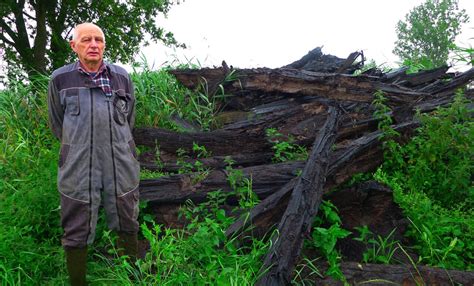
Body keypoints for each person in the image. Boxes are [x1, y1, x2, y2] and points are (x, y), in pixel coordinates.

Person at [47, 23, 140, 285]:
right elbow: (57, 123)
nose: (93, 45)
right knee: (76, 224)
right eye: (86, 40)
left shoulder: (121, 76)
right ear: (74, 46)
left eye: (98, 39)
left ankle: (128, 275)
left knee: (126, 217)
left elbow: (129, 120)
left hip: (120, 161)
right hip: (77, 163)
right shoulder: (60, 79)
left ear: (104, 45)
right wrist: (77, 146)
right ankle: (78, 281)